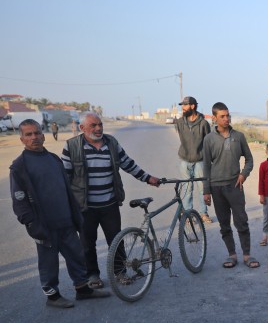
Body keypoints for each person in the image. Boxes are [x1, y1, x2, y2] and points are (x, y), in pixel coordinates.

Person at [10, 119, 110, 307]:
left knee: (76, 256)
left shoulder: (54, 159)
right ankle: (53, 296)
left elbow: (67, 189)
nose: (34, 137)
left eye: (37, 133)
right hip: (44, 226)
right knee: (48, 263)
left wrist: (75, 215)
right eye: (29, 134)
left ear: (44, 135)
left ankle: (83, 289)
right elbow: (19, 200)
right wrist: (31, 224)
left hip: (66, 221)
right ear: (22, 139)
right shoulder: (19, 166)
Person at [61, 112, 160, 289]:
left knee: (116, 240)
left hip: (109, 204)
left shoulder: (111, 143)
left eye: (100, 125)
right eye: (93, 125)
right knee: (87, 243)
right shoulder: (72, 146)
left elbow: (128, 164)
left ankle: (120, 272)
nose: (98, 128)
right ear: (82, 128)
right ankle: (92, 275)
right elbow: (64, 177)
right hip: (84, 207)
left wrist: (148, 178)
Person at [202, 102, 259, 269]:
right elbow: (206, 165)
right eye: (222, 116)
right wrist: (206, 191)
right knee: (224, 224)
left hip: (235, 186)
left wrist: (243, 175)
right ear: (214, 118)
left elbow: (249, 160)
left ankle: (247, 255)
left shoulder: (239, 136)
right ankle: (232, 255)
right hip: (216, 188)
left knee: (241, 221)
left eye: (228, 116)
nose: (226, 119)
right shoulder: (208, 139)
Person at [175, 96, 212, 225]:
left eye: (185, 105)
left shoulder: (204, 124)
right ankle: (188, 214)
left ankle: (203, 213)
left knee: (202, 188)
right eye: (182, 106)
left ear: (193, 106)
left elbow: (208, 142)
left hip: (200, 160)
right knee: (187, 188)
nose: (183, 108)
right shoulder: (179, 123)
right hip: (184, 160)